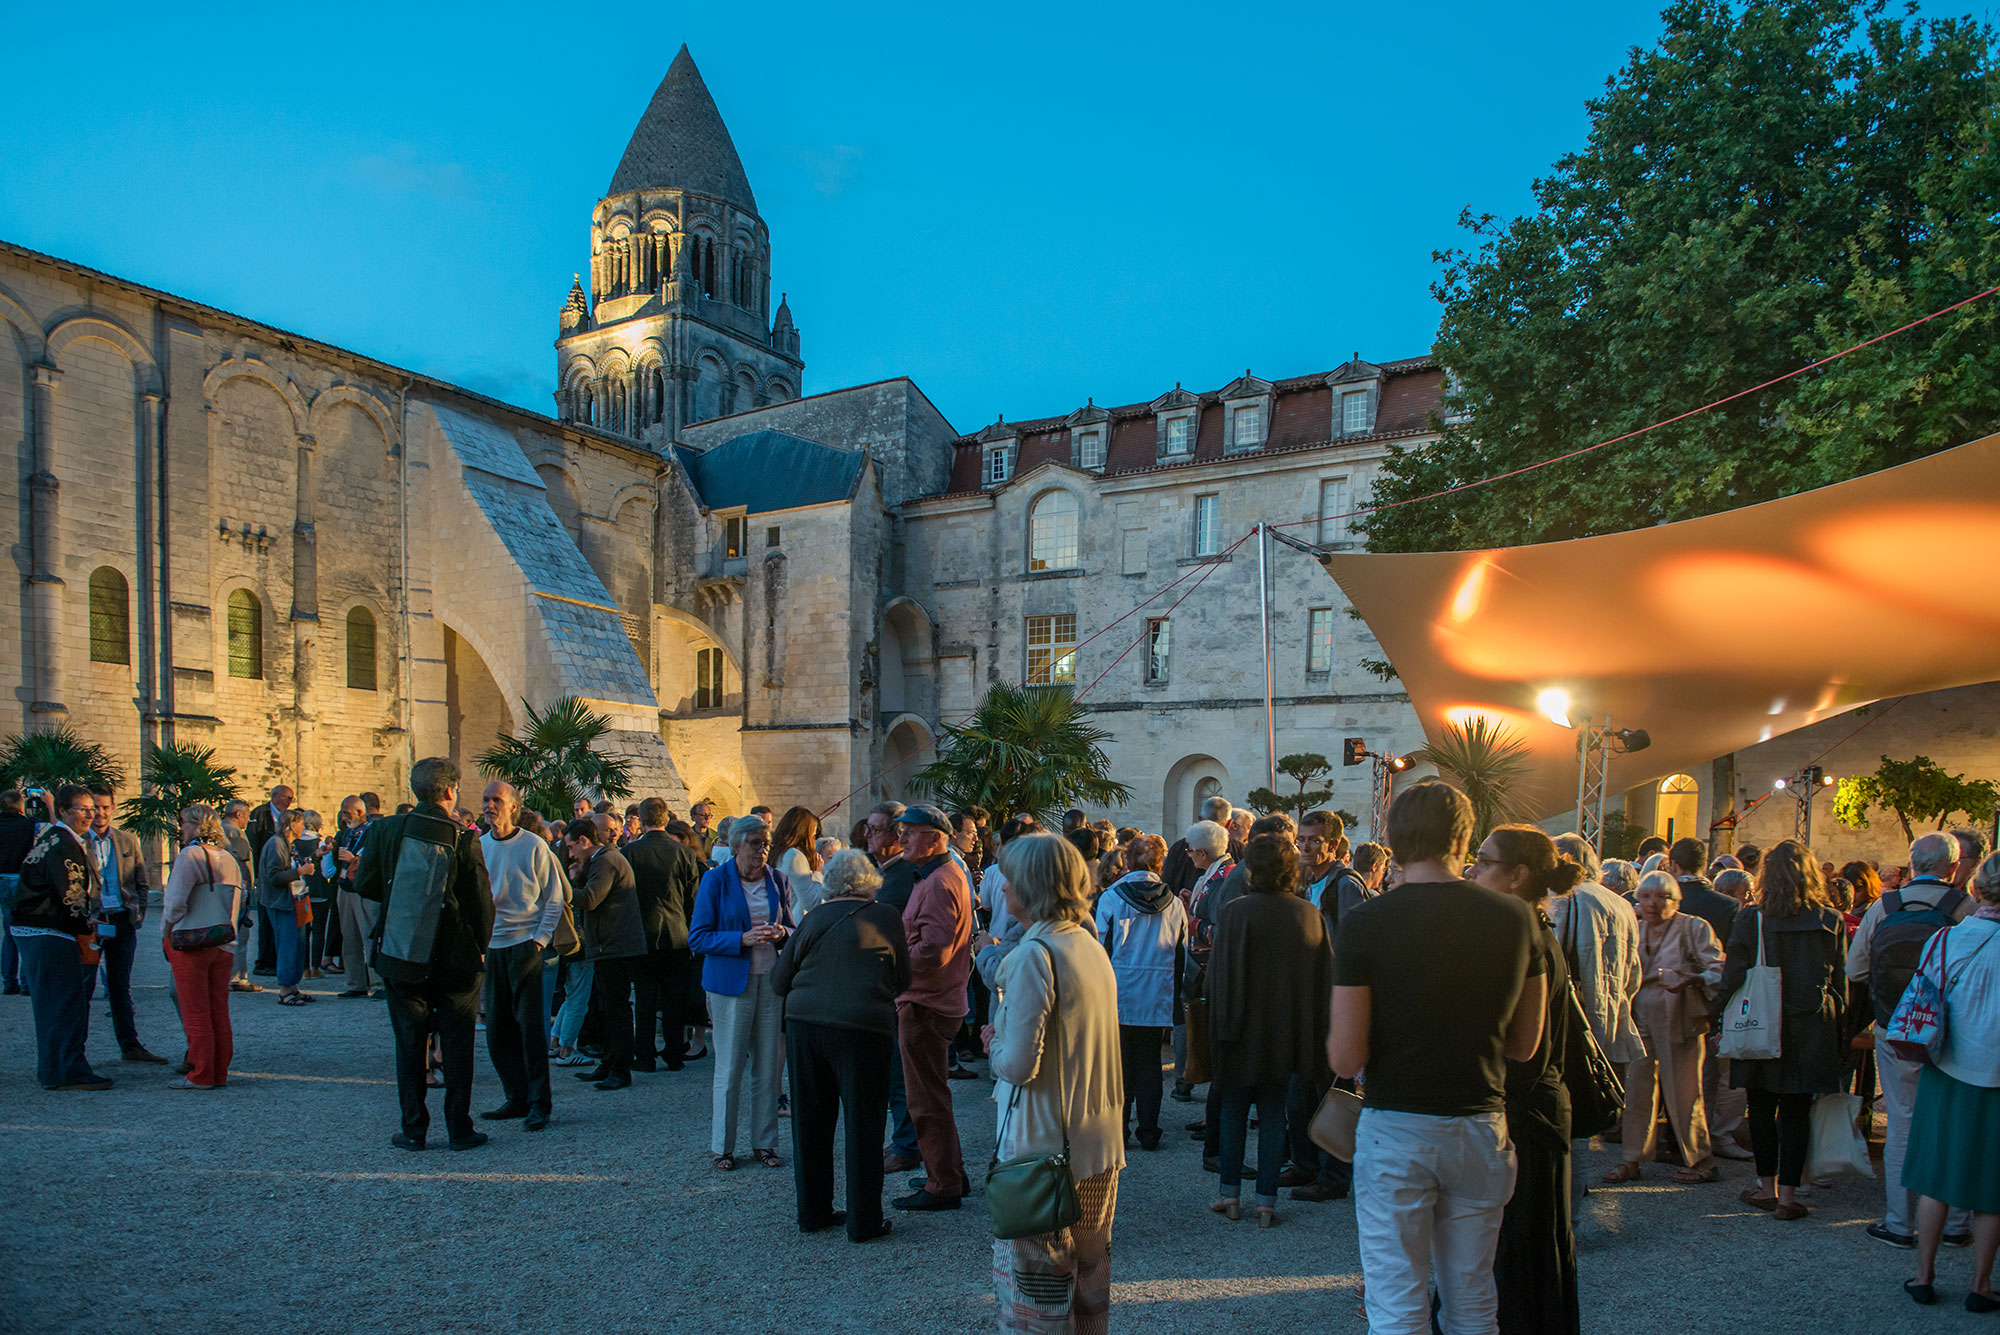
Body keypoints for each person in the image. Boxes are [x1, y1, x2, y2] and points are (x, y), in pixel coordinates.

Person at [1327, 781, 1545, 1335]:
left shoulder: (1367, 923)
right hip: (1480, 1122)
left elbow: (1346, 1054)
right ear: (1463, 838)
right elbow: (1524, 1045)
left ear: (1394, 839)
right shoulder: (1517, 919)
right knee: (1473, 1301)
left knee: (1397, 1303)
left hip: (1397, 1123)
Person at [986, 832, 1125, 1334]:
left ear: (1032, 885)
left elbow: (1019, 1065)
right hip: (1097, 1144)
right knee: (1088, 1289)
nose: (1002, 889)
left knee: (1037, 1298)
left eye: (1010, 879)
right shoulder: (1087, 944)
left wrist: (994, 1043)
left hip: (1041, 1150)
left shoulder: (1033, 955)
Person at [1470, 825, 1582, 1335]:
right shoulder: (1530, 931)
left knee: (1520, 1253)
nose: (1473, 869)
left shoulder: (1528, 939)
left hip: (1527, 1116)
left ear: (1517, 876)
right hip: (1534, 1110)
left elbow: (1524, 1054)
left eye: (1483, 860)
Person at [355, 757, 496, 1152]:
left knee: (409, 1043)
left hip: (401, 951)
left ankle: (414, 1128)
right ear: (451, 791)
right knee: (457, 1043)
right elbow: (481, 904)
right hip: (454, 959)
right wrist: (480, 948)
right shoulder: (464, 837)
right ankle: (459, 1128)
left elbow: (366, 885)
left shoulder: (384, 830)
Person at [771, 849, 908, 1241]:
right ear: (869, 883)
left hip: (805, 1023)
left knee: (811, 1122)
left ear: (829, 884)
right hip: (863, 1026)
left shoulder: (813, 918)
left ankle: (812, 1212)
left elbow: (779, 981)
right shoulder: (885, 916)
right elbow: (904, 976)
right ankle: (864, 1221)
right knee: (864, 1123)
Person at [1848, 830, 1972, 1248]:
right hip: (1952, 1029)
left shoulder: (1885, 907)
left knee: (1901, 1120)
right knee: (1950, 1122)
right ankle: (1955, 1223)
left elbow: (1856, 970)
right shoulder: (1964, 908)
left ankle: (1899, 1222)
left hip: (1895, 1026)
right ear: (1953, 867)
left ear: (1910, 863)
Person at [1207, 831, 1331, 1226]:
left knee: (1233, 1110)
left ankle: (1229, 1194)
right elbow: (1323, 980)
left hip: (1238, 1027)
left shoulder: (1234, 912)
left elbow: (1218, 978)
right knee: (1275, 1113)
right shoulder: (1308, 914)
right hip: (1285, 1030)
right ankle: (1266, 1201)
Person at [1720, 839, 1847, 1220]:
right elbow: (1841, 981)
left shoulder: (1751, 918)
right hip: (1810, 1023)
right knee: (1795, 1110)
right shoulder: (1830, 920)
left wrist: (1717, 1019)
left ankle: (1766, 1187)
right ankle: (1790, 1197)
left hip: (1760, 1021)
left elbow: (1732, 976)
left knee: (1760, 1105)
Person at [1902, 851, 2000, 1310]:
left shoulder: (1944, 941)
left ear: (1976, 889)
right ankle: (1980, 1285)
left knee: (1935, 1176)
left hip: (1945, 1065)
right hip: (1997, 1075)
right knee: (1991, 1189)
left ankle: (1923, 1275)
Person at [690, 812, 795, 1171]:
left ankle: (765, 1143)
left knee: (768, 1068)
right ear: (735, 845)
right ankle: (723, 1147)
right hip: (728, 984)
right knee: (730, 1066)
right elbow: (698, 936)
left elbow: (793, 929)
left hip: (770, 980)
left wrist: (781, 933)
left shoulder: (778, 880)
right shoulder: (715, 881)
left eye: (766, 844)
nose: (762, 850)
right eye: (755, 844)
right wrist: (740, 939)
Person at [1605, 870, 1723, 1183]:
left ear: (1676, 900)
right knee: (1637, 1090)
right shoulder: (1634, 926)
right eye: (1646, 896)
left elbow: (1718, 969)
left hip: (1680, 1017)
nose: (1653, 903)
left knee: (1685, 1091)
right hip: (1640, 1017)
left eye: (1662, 897)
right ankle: (1632, 1159)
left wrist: (1693, 978)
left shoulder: (1693, 927)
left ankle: (1701, 1161)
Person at [890, 803, 974, 1211]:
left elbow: (934, 950)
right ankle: (950, 1172)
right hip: (935, 999)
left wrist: (893, 964)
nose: (901, 837)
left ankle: (943, 1184)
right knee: (934, 1094)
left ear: (935, 838)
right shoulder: (943, 874)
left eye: (910, 831)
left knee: (925, 1100)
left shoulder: (940, 881)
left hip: (926, 1003)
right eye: (901, 830)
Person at [478, 781, 567, 1131]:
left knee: (530, 1029)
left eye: (496, 800)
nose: (489, 806)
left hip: (525, 944)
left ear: (513, 806)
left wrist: (540, 940)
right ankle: (514, 1096)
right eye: (486, 800)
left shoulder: (534, 846)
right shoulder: (480, 846)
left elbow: (554, 896)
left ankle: (538, 1103)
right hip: (492, 947)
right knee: (497, 1031)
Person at [1093, 832, 1186, 1152]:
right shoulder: (1174, 903)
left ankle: (1118, 1131)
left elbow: (1099, 947)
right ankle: (1149, 1130)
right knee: (1150, 1063)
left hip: (1116, 990)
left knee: (1119, 1063)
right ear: (1160, 864)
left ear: (1128, 861)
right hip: (1156, 992)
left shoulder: (1111, 898)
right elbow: (1180, 951)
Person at [14, 785, 111, 1090]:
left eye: (91, 808)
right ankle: (69, 1070)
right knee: (65, 1003)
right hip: (50, 931)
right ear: (65, 810)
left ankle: (52, 1069)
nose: (90, 814)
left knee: (49, 1004)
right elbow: (72, 896)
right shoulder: (65, 844)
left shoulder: (52, 838)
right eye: (83, 809)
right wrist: (87, 929)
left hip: (33, 929)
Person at [159, 804, 244, 1089]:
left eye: (184, 823)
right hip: (223, 941)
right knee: (218, 1010)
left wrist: (166, 934)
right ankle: (219, 1071)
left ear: (197, 825)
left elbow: (174, 904)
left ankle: (201, 1074)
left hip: (191, 941)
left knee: (195, 1011)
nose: (181, 828)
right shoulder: (230, 859)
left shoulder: (190, 856)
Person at [83, 786, 165, 1062]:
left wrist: (138, 913)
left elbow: (141, 880)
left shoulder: (126, 840)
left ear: (113, 808)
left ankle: (130, 1044)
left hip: (121, 918)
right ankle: (75, 1050)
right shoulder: (78, 841)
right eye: (95, 807)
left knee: (120, 986)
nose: (100, 813)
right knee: (83, 986)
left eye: (105, 807)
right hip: (90, 921)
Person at [624, 796, 703, 1070]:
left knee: (644, 998)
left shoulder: (630, 853)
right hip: (677, 933)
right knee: (674, 997)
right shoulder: (685, 853)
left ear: (642, 821)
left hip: (642, 932)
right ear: (666, 818)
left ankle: (644, 1055)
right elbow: (692, 898)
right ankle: (674, 1053)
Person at [566, 814, 645, 1090]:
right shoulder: (601, 861)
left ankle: (620, 1069)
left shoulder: (606, 860)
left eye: (571, 846)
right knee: (608, 1008)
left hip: (615, 946)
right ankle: (610, 1063)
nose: (570, 853)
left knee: (617, 1009)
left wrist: (565, 889)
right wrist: (577, 880)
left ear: (584, 841)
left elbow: (590, 899)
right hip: (608, 946)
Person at [257, 809, 313, 1005]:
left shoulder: (288, 843)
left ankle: (293, 987)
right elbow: (274, 876)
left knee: (298, 945)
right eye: (301, 823)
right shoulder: (276, 844)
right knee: (287, 945)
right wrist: (299, 872)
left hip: (294, 901)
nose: (304, 827)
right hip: (281, 903)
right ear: (291, 825)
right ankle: (284, 990)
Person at [330, 796, 379, 997]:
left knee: (369, 936)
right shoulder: (344, 833)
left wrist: (356, 859)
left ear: (360, 812)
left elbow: (377, 858)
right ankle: (355, 983)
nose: (343, 816)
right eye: (342, 812)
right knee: (349, 937)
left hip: (364, 889)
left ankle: (378, 984)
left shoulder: (373, 832)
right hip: (345, 888)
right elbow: (336, 860)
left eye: (347, 813)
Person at [0, 789, 38, 994]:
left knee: (9, 932)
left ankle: (9, 981)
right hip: (20, 878)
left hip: (1, 879)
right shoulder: (28, 825)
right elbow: (55, 827)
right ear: (21, 806)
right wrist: (48, 803)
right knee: (25, 929)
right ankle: (26, 982)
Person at [1163, 796, 1235, 896]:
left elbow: (1167, 887)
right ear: (1229, 824)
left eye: (1191, 851)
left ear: (1203, 853)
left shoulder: (1178, 849)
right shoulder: (1238, 850)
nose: (1189, 854)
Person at [772, 806, 826, 919]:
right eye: (813, 836)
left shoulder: (778, 852)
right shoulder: (796, 857)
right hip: (794, 922)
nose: (814, 840)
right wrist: (817, 873)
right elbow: (813, 904)